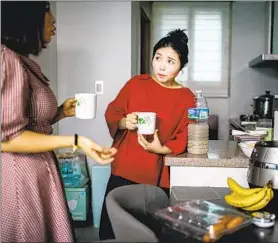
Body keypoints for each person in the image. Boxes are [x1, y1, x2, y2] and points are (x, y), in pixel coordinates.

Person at [1, 2, 117, 242]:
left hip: (39, 168)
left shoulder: (24, 62)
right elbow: (8, 137)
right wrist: (77, 141)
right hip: (21, 176)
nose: (54, 21)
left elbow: (27, 122)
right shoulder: (7, 59)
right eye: (47, 11)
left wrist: (61, 112)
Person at [100, 29, 196, 240]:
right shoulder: (136, 84)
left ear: (182, 66)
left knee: (147, 234)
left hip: (155, 175)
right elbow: (113, 111)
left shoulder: (187, 98)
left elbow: (186, 133)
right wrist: (125, 121)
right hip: (124, 168)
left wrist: (162, 149)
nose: (161, 66)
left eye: (171, 61)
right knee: (111, 230)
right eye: (158, 58)